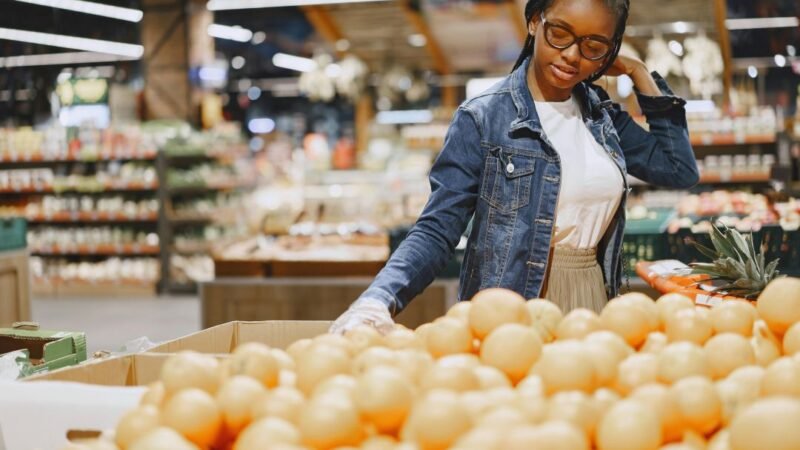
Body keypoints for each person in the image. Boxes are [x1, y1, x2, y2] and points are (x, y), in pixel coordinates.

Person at [331, 0, 699, 334]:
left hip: (593, 304)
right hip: (511, 312)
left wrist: (638, 72)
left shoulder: (602, 116)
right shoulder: (484, 118)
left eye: (593, 47)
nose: (572, 55)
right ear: (535, 21)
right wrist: (378, 299)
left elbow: (678, 169)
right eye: (560, 34)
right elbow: (437, 228)